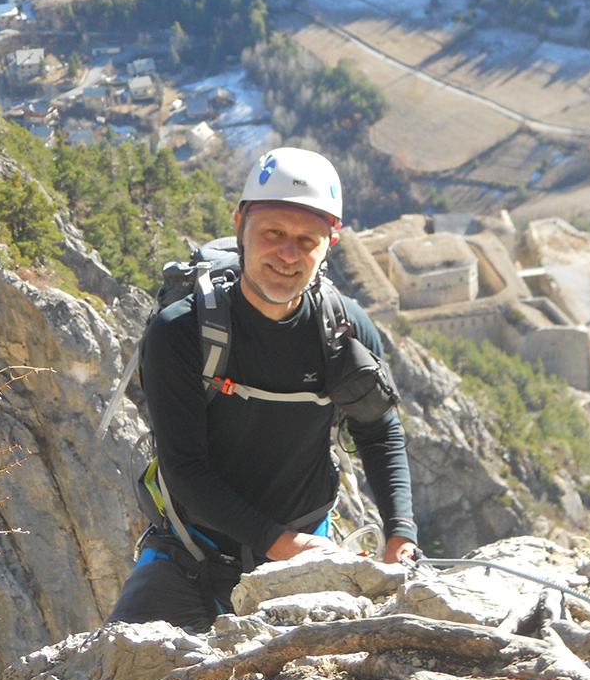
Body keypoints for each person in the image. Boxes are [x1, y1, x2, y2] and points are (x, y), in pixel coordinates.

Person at [106, 147, 417, 631]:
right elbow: (185, 469)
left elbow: (379, 434)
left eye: (306, 240)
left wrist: (400, 533)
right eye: (273, 233)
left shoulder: (345, 332)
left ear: (328, 245)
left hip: (304, 550)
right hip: (194, 553)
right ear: (241, 226)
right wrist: (281, 544)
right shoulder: (182, 332)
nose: (288, 254)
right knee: (125, 674)